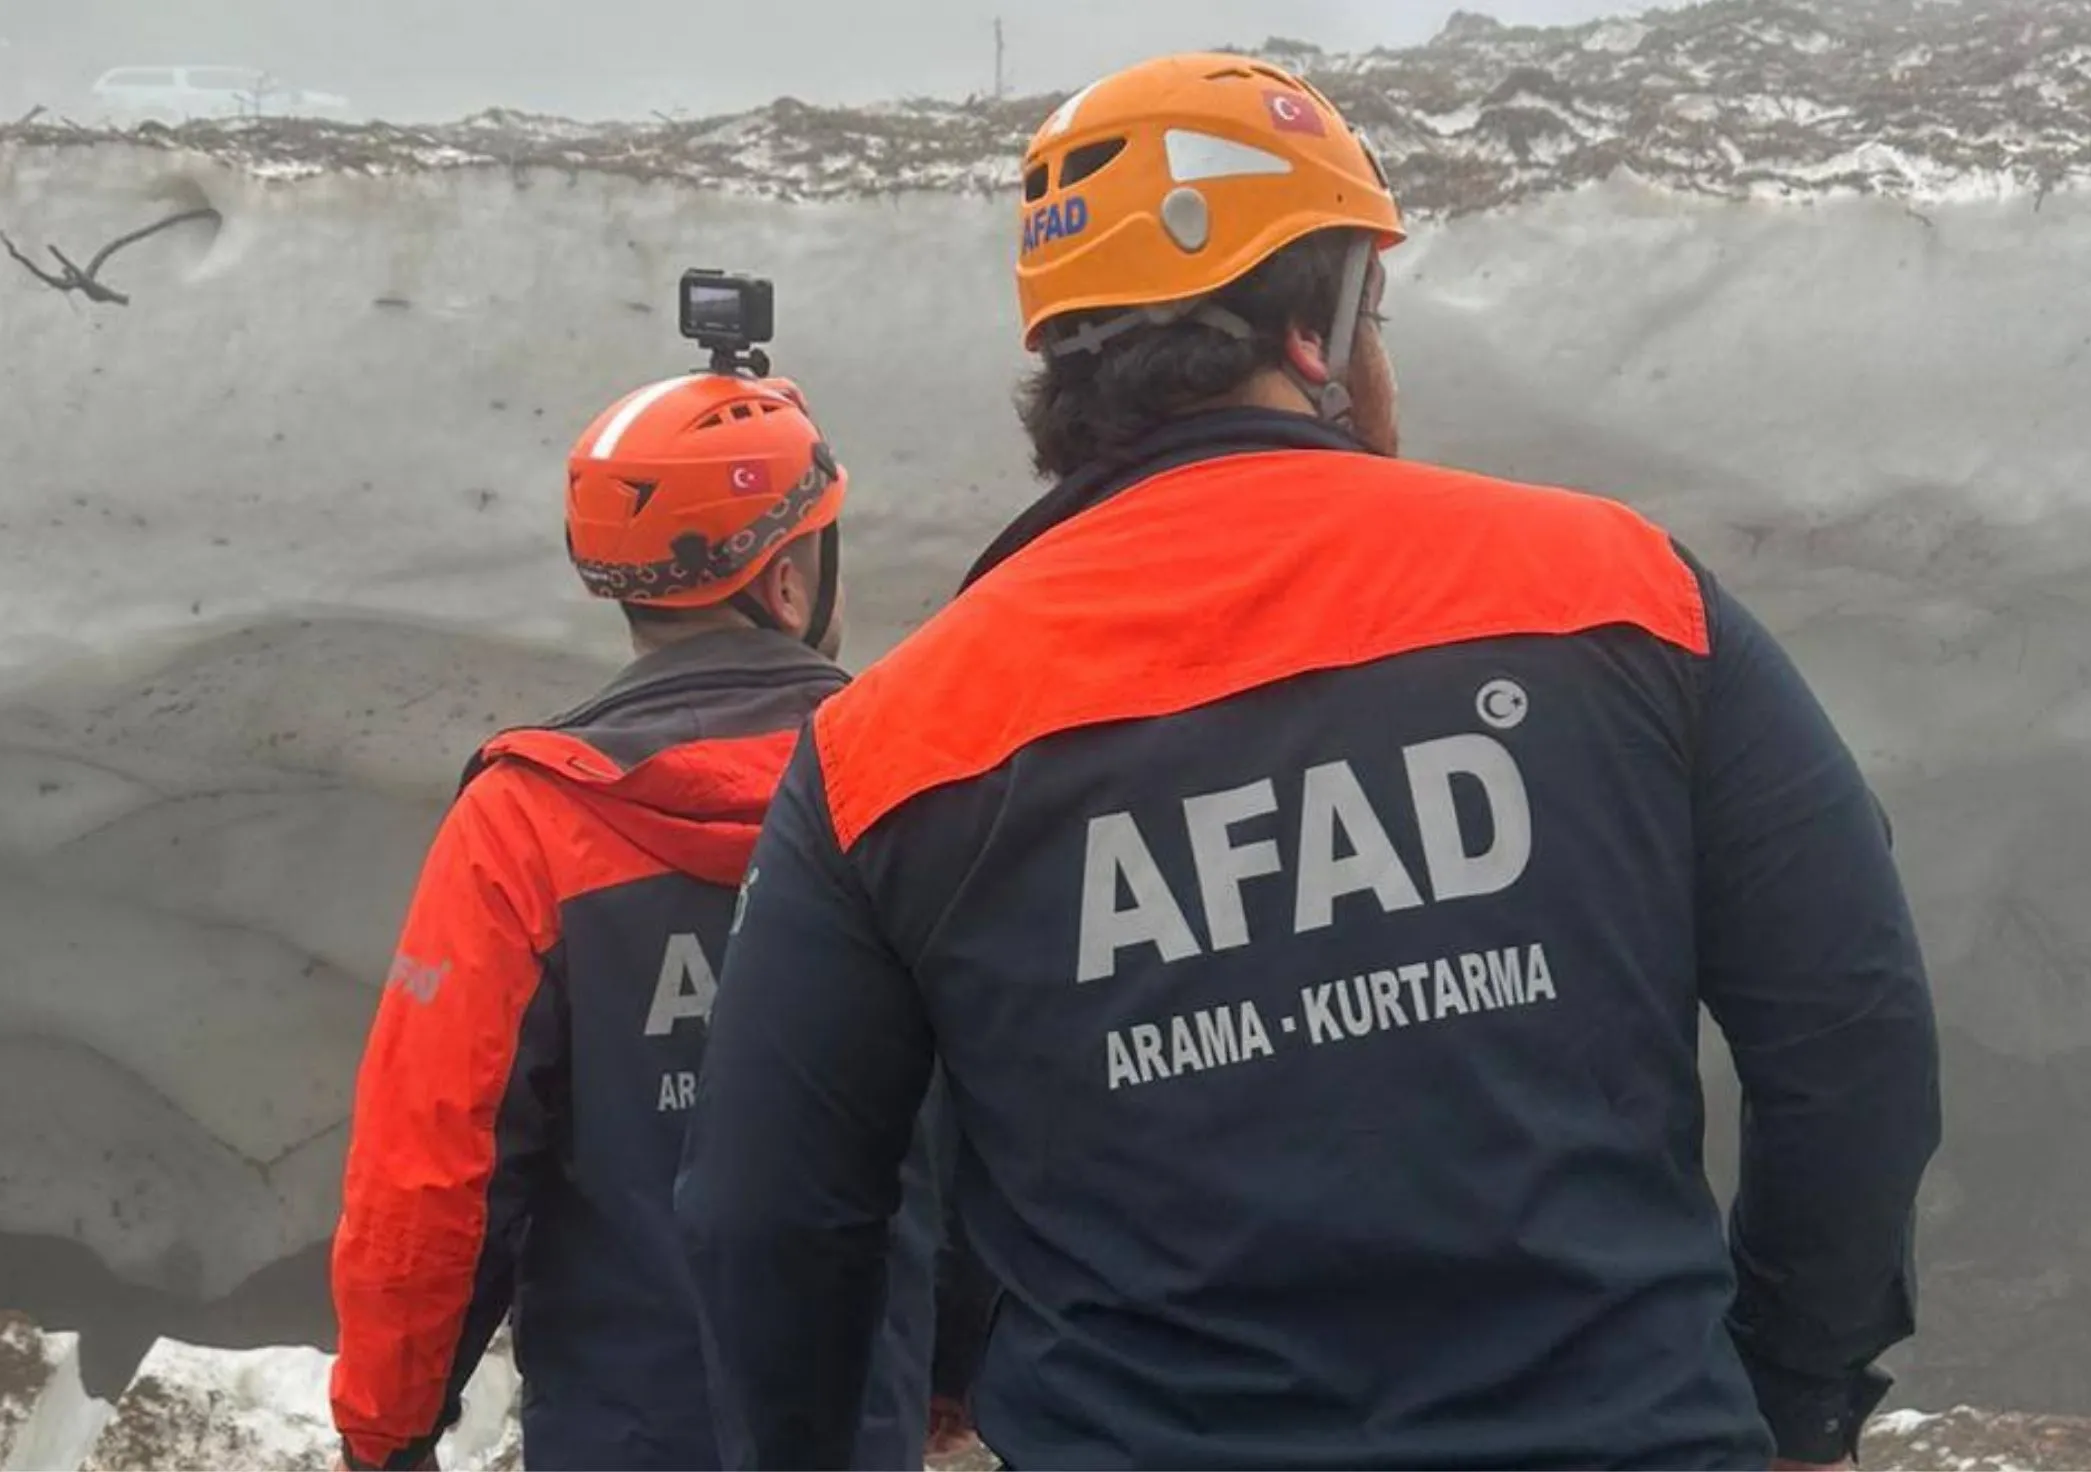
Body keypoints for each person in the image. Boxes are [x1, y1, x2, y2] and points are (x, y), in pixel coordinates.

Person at [674, 50, 1943, 1472]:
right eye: (1370, 309)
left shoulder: (890, 744)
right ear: (1313, 334)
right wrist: (1793, 1394)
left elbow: (767, 1209)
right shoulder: (1626, 593)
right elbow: (1851, 1032)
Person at [327, 368, 941, 1471]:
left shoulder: (525, 826)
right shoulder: (911, 787)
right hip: (865, 1420)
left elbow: (432, 1171)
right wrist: (959, 1359)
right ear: (791, 581)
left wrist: (390, 1432)